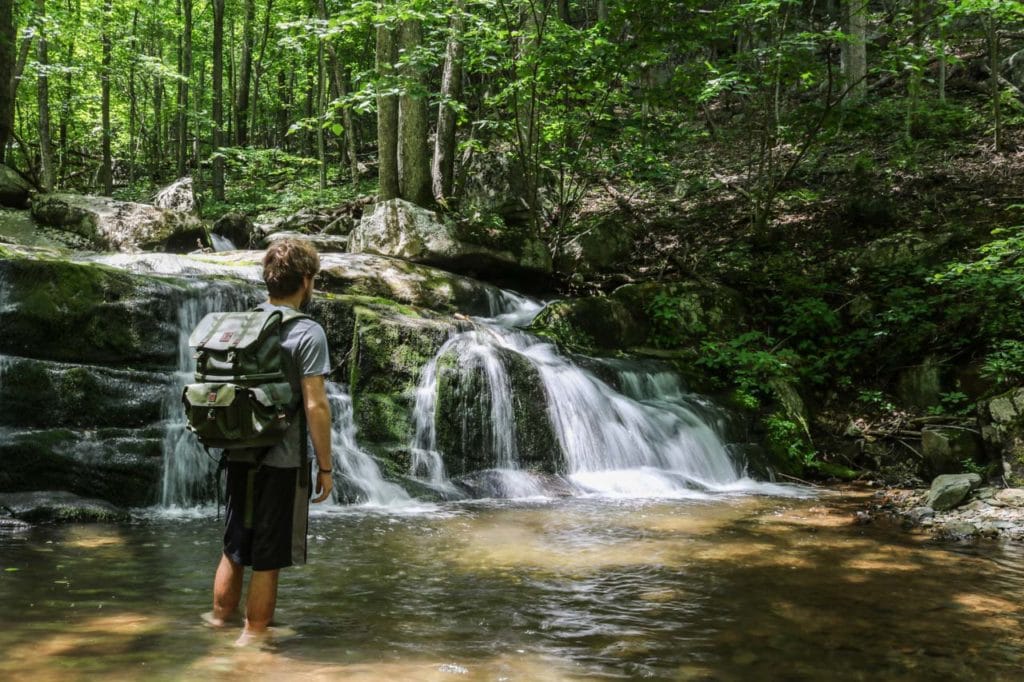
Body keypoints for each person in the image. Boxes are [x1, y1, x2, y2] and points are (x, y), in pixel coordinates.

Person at [207, 238, 333, 642]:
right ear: (306, 280)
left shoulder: (244, 326)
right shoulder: (307, 332)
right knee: (268, 557)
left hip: (237, 448)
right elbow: (315, 406)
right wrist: (326, 467)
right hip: (281, 458)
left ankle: (218, 624)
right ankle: (253, 639)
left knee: (234, 546)